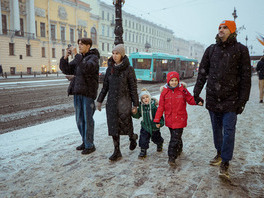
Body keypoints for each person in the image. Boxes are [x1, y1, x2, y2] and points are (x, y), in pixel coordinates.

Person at [193, 20, 251, 179]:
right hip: (213, 98)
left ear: (232, 31)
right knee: (217, 130)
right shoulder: (211, 50)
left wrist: (242, 101)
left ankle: (225, 160)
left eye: (225, 27)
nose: (221, 30)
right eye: (219, 27)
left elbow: (246, 78)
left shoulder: (241, 50)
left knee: (229, 131)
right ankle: (219, 152)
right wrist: (196, 92)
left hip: (231, 100)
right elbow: (202, 73)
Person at [96, 44, 139, 161]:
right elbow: (105, 87)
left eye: (117, 53)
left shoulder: (129, 69)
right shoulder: (110, 69)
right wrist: (99, 101)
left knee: (127, 124)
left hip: (124, 102)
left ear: (122, 54)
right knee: (113, 127)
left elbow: (133, 87)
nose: (114, 56)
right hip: (111, 102)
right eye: (113, 53)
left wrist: (135, 104)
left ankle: (132, 137)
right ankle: (117, 151)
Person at [59, 38, 100, 155]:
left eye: (82, 44)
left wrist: (77, 55)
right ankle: (85, 141)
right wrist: (65, 57)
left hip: (87, 93)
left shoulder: (94, 58)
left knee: (87, 120)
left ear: (88, 46)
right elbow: (66, 69)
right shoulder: (80, 58)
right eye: (79, 44)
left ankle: (90, 145)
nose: (80, 46)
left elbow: (86, 68)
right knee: (79, 120)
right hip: (77, 91)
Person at [154, 71, 203, 166]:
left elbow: (190, 99)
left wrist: (197, 101)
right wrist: (157, 119)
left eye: (176, 80)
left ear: (178, 80)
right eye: (171, 80)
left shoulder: (182, 90)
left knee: (174, 139)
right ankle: (179, 149)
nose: (174, 82)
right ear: (168, 81)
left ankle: (171, 157)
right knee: (176, 137)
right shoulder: (164, 92)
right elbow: (161, 107)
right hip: (169, 119)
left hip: (180, 119)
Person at [132, 88, 164, 159]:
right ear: (141, 99)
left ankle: (160, 143)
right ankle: (143, 151)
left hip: (154, 127)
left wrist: (160, 123)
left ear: (149, 97)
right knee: (143, 139)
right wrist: (134, 112)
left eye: (147, 97)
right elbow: (138, 116)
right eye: (143, 98)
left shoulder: (154, 107)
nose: (145, 99)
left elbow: (160, 116)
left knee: (156, 138)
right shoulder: (141, 107)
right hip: (145, 126)